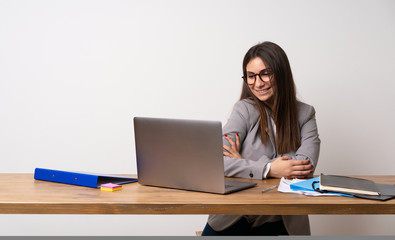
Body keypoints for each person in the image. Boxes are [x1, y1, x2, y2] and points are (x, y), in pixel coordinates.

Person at [201, 41, 320, 236]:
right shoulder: (243, 110)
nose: (258, 83)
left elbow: (303, 168)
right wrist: (269, 169)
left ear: (281, 74)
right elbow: (213, 161)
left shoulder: (305, 114)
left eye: (265, 73)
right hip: (233, 216)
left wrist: (242, 163)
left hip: (282, 220)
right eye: (251, 76)